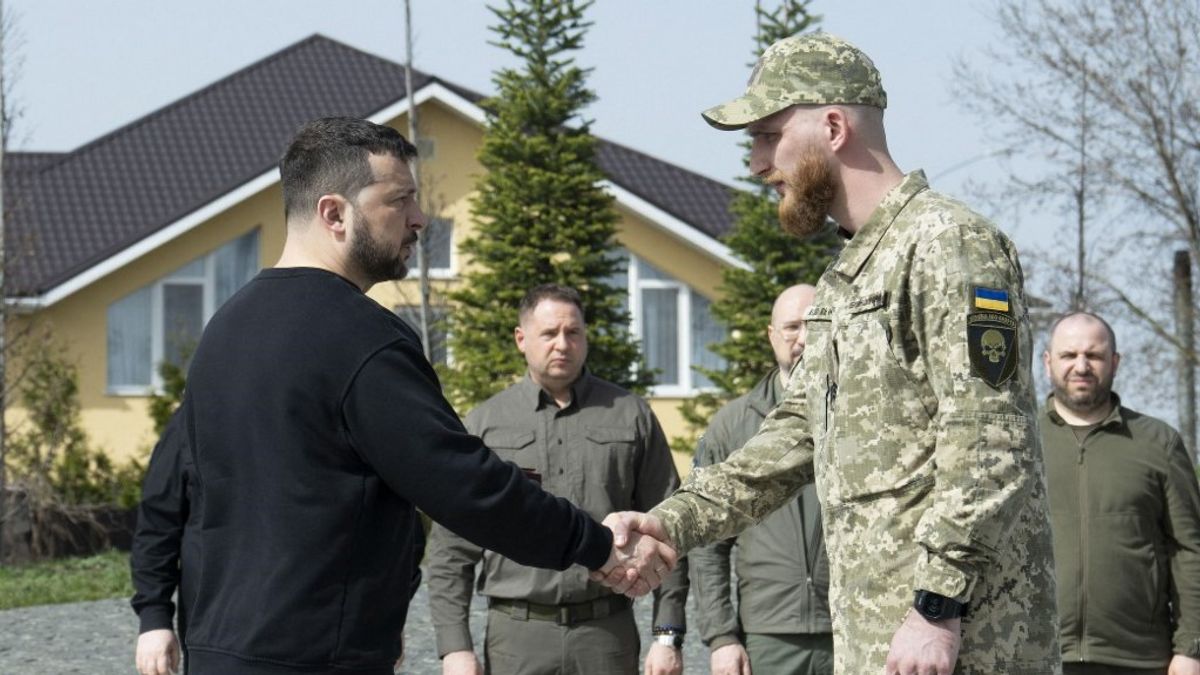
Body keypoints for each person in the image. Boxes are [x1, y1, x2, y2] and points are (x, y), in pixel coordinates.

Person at [129, 117, 674, 675]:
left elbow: (171, 484)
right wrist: (596, 545)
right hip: (316, 657)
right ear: (334, 213)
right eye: (400, 200)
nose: (419, 219)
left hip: (219, 652)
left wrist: (154, 610)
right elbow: (462, 483)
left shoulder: (224, 330)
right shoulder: (362, 338)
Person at [598, 32, 1060, 675]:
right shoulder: (849, 278)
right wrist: (670, 523)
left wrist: (936, 607)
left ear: (834, 126)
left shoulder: (950, 245)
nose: (758, 164)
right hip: (879, 639)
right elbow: (789, 434)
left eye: (766, 136)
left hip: (962, 644)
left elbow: (989, 441)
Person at [427, 283, 688, 675]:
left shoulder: (631, 416)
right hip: (517, 638)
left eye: (573, 332)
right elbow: (450, 549)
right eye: (549, 333)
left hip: (606, 636)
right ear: (521, 339)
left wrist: (667, 635)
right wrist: (454, 648)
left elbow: (669, 525)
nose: (562, 344)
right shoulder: (484, 426)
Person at [1041, 312, 1200, 675]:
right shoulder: (1021, 443)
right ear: (1048, 362)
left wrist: (1191, 647)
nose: (1081, 366)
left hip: (1139, 660)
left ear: (1114, 361)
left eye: (1094, 355)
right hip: (1036, 653)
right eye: (1069, 355)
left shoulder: (1158, 442)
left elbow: (1190, 549)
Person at [689, 283, 833, 675]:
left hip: (850, 627)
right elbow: (707, 545)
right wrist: (720, 636)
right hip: (768, 638)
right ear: (772, 336)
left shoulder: (864, 415)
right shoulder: (733, 425)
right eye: (791, 327)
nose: (803, 338)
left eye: (814, 325)